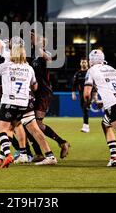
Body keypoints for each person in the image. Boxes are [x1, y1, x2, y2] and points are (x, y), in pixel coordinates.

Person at [0, 37, 57, 168]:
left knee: (1, 130)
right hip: (25, 103)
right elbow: (35, 87)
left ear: (11, 50)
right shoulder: (28, 68)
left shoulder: (5, 66)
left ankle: (7, 154)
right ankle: (50, 156)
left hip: (9, 103)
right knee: (33, 130)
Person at [29, 33, 70, 161]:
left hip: (43, 93)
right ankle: (39, 153)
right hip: (33, 92)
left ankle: (61, 143)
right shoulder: (34, 56)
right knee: (29, 123)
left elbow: (50, 60)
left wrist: (37, 45)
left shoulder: (46, 54)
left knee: (37, 124)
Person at [72, 58, 91, 133]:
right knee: (84, 109)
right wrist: (73, 93)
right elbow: (74, 84)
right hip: (81, 94)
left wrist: (95, 93)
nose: (83, 63)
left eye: (85, 62)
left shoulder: (90, 72)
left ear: (87, 63)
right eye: (82, 62)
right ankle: (86, 126)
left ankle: (86, 126)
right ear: (80, 63)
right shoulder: (78, 73)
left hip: (89, 93)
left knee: (85, 108)